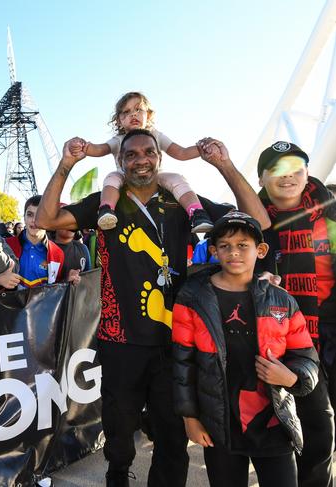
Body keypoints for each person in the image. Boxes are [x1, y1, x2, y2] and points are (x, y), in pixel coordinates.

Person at [35, 130, 269, 487]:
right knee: (119, 430)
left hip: (174, 340)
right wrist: (67, 164)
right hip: (120, 339)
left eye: (148, 152)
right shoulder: (105, 204)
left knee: (172, 437)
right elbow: (46, 220)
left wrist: (225, 165)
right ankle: (117, 476)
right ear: (120, 161)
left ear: (160, 158)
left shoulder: (181, 200)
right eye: (130, 154)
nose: (140, 159)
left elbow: (259, 221)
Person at [172, 211, 318, 487]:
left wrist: (292, 378)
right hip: (220, 425)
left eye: (243, 245)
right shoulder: (192, 297)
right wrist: (190, 418)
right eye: (225, 246)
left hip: (274, 424)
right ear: (214, 250)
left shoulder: (282, 301)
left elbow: (306, 357)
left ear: (260, 250)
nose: (234, 253)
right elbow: (182, 363)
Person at [256, 141, 336, 487]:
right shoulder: (251, 224)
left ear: (306, 171)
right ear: (262, 178)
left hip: (330, 326)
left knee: (322, 431)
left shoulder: (332, 211)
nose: (287, 177)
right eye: (276, 170)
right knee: (297, 430)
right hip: (280, 338)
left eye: (294, 168)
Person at [70, 92, 213, 233]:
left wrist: (203, 148)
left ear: (148, 115)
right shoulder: (118, 140)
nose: (133, 114)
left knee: (177, 179)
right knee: (112, 177)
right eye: (126, 112)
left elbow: (181, 153)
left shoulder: (156, 135)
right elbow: (100, 149)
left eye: (138, 109)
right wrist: (84, 146)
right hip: (126, 177)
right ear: (119, 121)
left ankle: (196, 213)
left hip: (154, 177)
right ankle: (106, 209)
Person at [6, 195, 65, 288]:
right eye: (30, 214)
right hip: (10, 302)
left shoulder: (57, 253)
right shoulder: (6, 245)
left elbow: (56, 289)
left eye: (40, 215)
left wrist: (68, 280)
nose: (34, 220)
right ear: (24, 218)